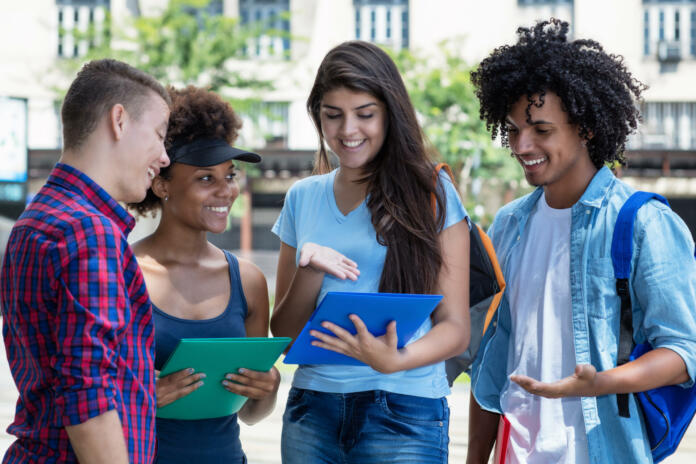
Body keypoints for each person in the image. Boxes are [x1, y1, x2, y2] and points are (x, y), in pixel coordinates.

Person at [466, 19, 696, 464]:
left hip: (602, 448)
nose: (522, 144)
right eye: (513, 130)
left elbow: (685, 351)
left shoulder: (645, 222)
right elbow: (493, 358)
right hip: (517, 449)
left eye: (541, 129)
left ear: (586, 128)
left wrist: (600, 383)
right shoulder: (510, 224)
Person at [270, 40, 471, 464]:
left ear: (390, 114)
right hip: (312, 410)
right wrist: (310, 269)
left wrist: (395, 359)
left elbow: (455, 328)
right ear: (317, 116)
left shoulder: (431, 193)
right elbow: (286, 336)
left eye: (365, 114)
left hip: (405, 410)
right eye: (332, 115)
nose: (348, 131)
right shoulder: (302, 197)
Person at [1, 59, 170, 463]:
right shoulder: (89, 231)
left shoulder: (36, 218)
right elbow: (88, 394)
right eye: (160, 136)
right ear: (120, 121)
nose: (164, 157)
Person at [128, 85, 280, 464]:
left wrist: (269, 388)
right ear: (162, 184)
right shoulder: (123, 274)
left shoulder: (248, 281)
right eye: (205, 179)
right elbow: (85, 400)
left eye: (229, 176)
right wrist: (143, 397)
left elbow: (250, 414)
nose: (226, 191)